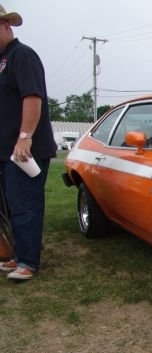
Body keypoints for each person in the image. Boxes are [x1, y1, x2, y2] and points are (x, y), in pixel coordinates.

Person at [0, 5, 57, 281]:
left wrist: (25, 138)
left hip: (24, 151)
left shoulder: (22, 56)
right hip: (5, 151)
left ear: (5, 26)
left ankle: (28, 262)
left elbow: (33, 97)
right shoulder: (3, 60)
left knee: (25, 204)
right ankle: (17, 254)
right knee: (10, 205)